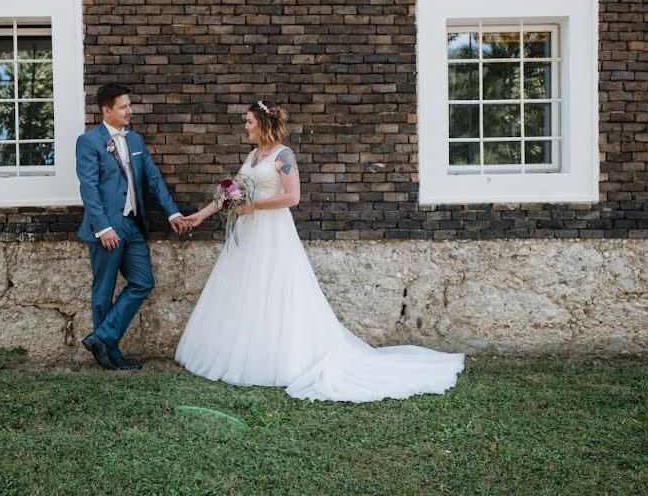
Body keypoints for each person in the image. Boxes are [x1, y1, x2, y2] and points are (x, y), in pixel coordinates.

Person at [176, 100, 464, 402]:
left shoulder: (283, 155)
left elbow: (293, 197)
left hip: (273, 232)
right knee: (245, 289)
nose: (245, 127)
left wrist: (254, 205)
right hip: (249, 233)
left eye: (249, 121)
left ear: (263, 123)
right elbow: (232, 190)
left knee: (276, 289)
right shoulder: (252, 155)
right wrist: (201, 214)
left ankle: (279, 358)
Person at [76, 83, 188, 370]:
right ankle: (109, 355)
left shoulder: (136, 141)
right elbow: (88, 187)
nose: (130, 111)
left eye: (129, 105)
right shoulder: (89, 142)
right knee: (104, 290)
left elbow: (153, 179)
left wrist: (172, 213)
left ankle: (102, 338)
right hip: (107, 229)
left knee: (143, 281)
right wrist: (102, 228)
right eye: (124, 106)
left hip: (133, 225)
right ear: (106, 110)